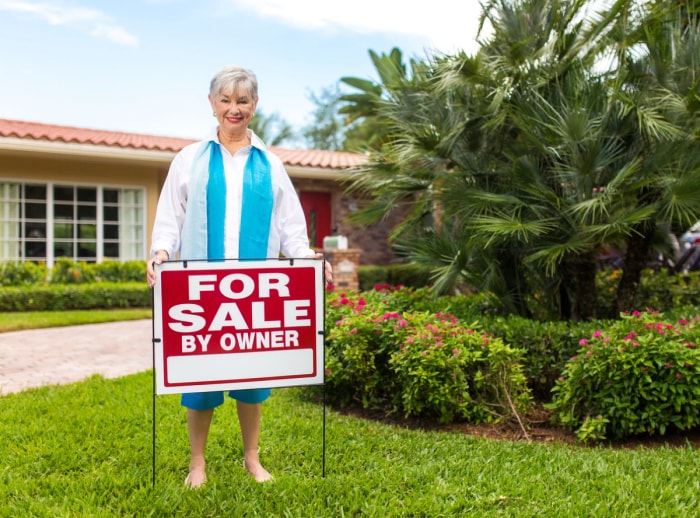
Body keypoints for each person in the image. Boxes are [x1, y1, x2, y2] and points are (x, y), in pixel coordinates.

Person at [146, 65, 332, 488]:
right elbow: (171, 218)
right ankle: (198, 463)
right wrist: (161, 253)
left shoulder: (269, 164)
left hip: (254, 290)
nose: (234, 108)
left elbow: (290, 226)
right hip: (201, 287)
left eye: (242, 101)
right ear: (212, 103)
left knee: (253, 376)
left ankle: (252, 458)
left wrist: (309, 258)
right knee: (201, 379)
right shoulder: (189, 159)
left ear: (255, 106)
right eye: (226, 100)